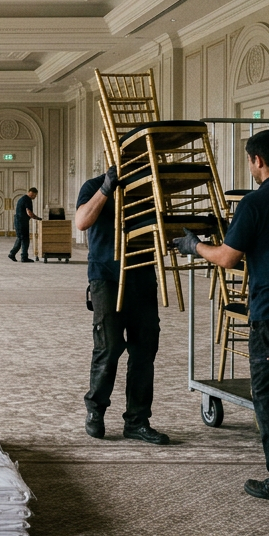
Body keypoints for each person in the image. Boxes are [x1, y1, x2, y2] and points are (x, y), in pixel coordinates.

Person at [174, 129, 269, 504]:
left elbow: (228, 258)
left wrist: (194, 246)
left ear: (257, 160)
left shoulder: (255, 203)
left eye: (249, 160)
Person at [74, 167, 169, 445]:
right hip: (106, 276)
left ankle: (138, 421)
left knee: (145, 348)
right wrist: (106, 188)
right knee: (109, 345)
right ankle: (95, 411)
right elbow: (81, 222)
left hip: (142, 275)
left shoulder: (147, 188)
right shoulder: (93, 185)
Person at [8, 188, 41, 262]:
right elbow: (29, 212)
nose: (34, 197)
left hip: (19, 221)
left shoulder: (22, 199)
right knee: (25, 239)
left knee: (20, 238)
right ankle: (24, 257)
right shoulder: (27, 200)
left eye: (35, 195)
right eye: (34, 195)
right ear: (30, 193)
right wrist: (37, 218)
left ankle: (12, 254)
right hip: (22, 222)